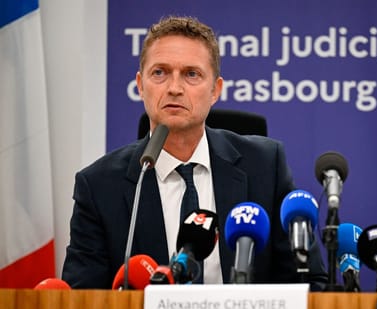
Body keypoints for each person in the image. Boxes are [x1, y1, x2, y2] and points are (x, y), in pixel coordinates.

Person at [62, 15, 327, 290]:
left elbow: (309, 282)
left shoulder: (265, 166)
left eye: (191, 74)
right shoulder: (99, 186)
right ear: (141, 85)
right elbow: (81, 296)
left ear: (215, 90)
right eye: (160, 73)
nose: (174, 88)